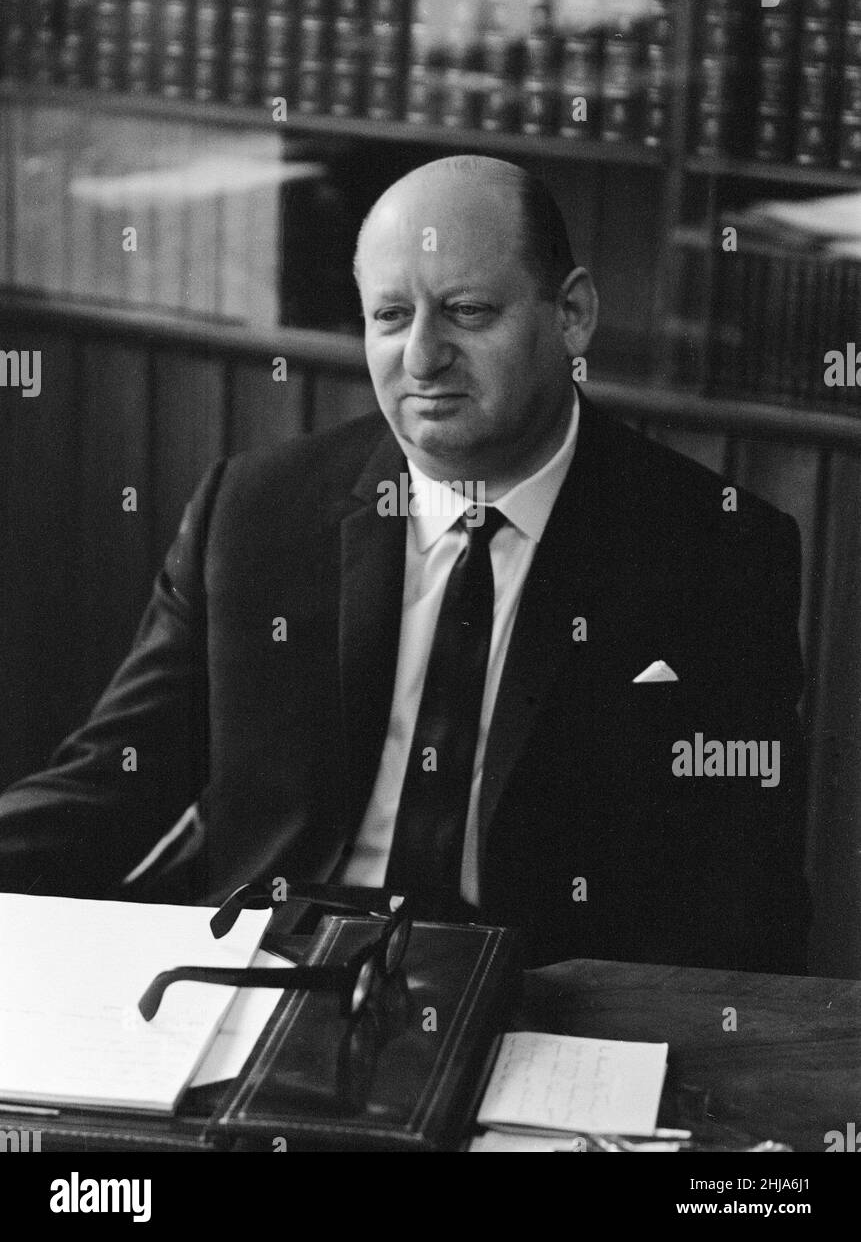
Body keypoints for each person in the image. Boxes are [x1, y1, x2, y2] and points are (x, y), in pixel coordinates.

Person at [0, 156, 810, 971]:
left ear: (571, 313)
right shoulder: (253, 513)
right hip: (268, 974)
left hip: (543, 1000)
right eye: (390, 316)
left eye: (465, 312)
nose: (422, 358)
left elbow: (742, 891)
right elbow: (112, 782)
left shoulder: (718, 552)